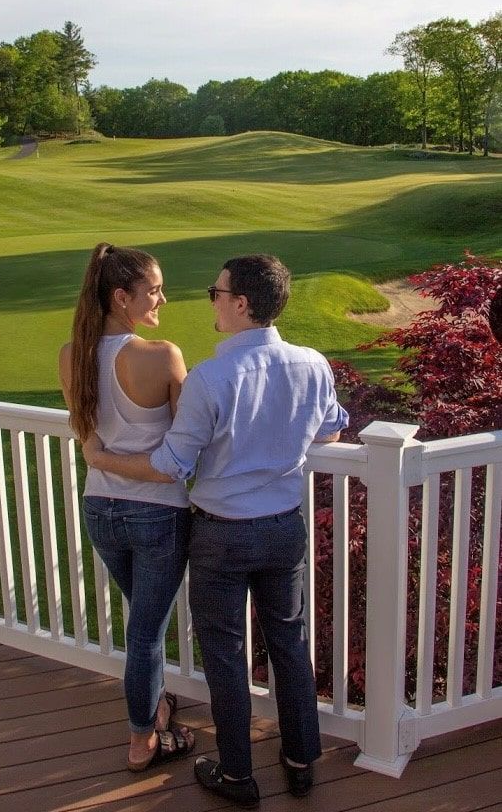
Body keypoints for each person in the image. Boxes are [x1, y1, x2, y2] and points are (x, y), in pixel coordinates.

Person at [83, 254, 348, 807]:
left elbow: (170, 466)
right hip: (283, 527)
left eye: (215, 291)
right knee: (289, 644)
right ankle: (301, 762)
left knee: (225, 654)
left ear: (241, 303)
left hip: (222, 534)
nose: (211, 300)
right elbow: (329, 435)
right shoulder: (312, 364)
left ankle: (237, 776)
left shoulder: (211, 378)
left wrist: (102, 459)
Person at [59, 242, 194, 772]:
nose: (163, 297)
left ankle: (157, 705)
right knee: (145, 633)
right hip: (158, 512)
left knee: (144, 621)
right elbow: (184, 449)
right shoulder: (162, 355)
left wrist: (104, 458)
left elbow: (90, 442)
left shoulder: (71, 355)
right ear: (121, 297)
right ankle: (143, 741)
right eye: (154, 289)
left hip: (101, 510)